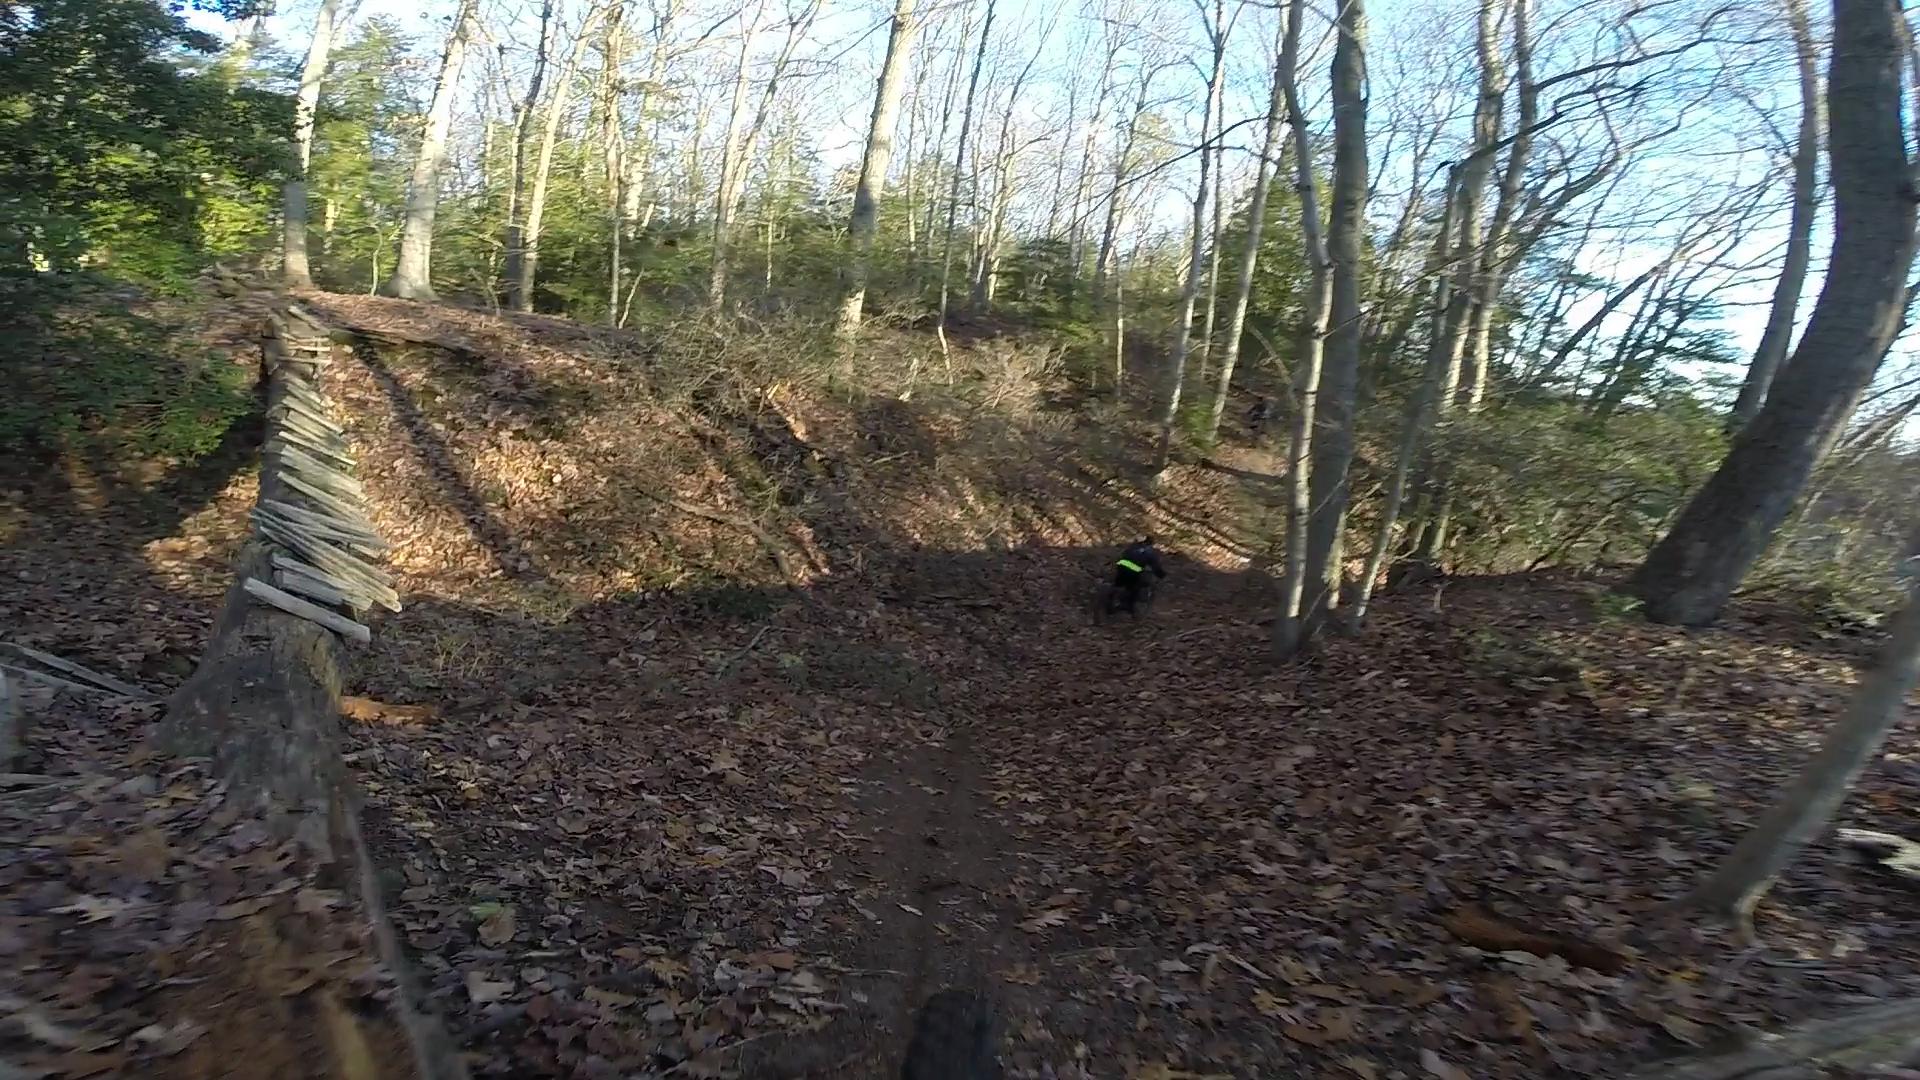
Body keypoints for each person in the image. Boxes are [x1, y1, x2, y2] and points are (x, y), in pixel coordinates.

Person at [1110, 535, 1168, 616]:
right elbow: (1156, 567)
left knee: (1118, 584)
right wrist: (1162, 575)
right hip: (1134, 571)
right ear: (1151, 543)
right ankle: (1129, 606)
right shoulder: (1150, 552)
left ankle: (1110, 599)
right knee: (1135, 588)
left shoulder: (1133, 546)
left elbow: (1123, 554)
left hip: (1121, 567)